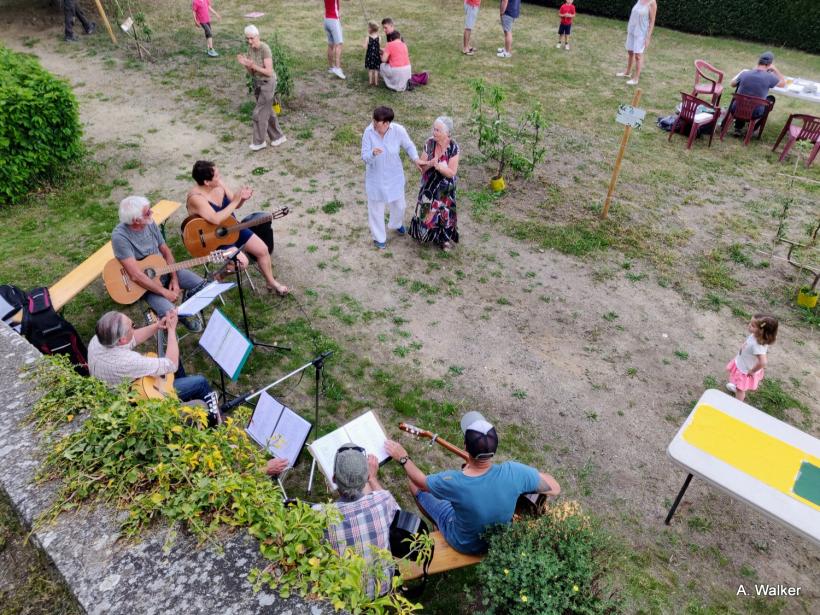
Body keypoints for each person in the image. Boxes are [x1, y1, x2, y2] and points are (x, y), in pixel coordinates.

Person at [385, 412, 560, 555]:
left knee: (416, 487)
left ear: (465, 446)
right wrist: (530, 475)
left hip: (464, 543)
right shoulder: (514, 472)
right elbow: (555, 488)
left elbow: (421, 482)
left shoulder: (454, 481)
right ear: (495, 448)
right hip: (496, 538)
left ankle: (438, 523)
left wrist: (403, 458)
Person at [186, 161, 289, 295]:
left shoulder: (218, 184)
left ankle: (271, 282)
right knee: (241, 263)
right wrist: (235, 201)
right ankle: (218, 276)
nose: (220, 177)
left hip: (232, 228)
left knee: (262, 250)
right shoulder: (196, 198)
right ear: (206, 182)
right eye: (216, 175)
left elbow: (236, 205)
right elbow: (215, 219)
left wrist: (242, 199)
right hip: (213, 240)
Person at [314, 444, 399, 597]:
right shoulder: (383, 500)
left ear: (333, 479)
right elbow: (398, 514)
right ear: (366, 478)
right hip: (383, 587)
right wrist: (373, 478)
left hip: (346, 598)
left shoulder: (319, 515)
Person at [112, 196, 206, 332]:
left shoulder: (149, 223)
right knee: (171, 314)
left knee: (203, 287)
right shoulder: (120, 237)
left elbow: (166, 251)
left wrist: (174, 279)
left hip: (165, 271)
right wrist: (164, 292)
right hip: (145, 286)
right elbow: (136, 276)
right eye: (147, 212)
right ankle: (177, 318)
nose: (152, 213)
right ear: (136, 220)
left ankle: (184, 312)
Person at [88, 310, 213, 403]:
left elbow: (134, 338)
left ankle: (184, 394)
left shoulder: (99, 339)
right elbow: (171, 364)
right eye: (133, 326)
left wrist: (157, 326)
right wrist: (171, 330)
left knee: (175, 356)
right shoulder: (128, 362)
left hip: (119, 385)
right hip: (136, 397)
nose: (134, 327)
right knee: (201, 382)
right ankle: (215, 419)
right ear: (122, 340)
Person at [361, 107, 421, 249]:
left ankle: (396, 224)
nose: (374, 124)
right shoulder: (368, 132)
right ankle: (379, 238)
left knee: (400, 206)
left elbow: (408, 145)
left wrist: (416, 159)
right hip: (376, 178)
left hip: (394, 176)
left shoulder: (398, 130)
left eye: (378, 122)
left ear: (387, 123)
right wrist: (372, 153)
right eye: (374, 121)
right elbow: (364, 157)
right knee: (376, 209)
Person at [410, 117, 460, 251]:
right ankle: (423, 233)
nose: (434, 132)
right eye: (434, 129)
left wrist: (440, 168)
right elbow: (421, 168)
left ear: (447, 133)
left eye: (438, 130)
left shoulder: (453, 147)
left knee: (445, 211)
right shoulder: (429, 143)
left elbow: (452, 173)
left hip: (445, 188)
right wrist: (430, 163)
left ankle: (444, 239)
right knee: (425, 211)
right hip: (429, 186)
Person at [237, 25, 287, 152]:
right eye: (247, 38)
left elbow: (269, 72)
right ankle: (278, 137)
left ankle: (259, 142)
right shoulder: (250, 49)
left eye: (252, 38)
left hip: (268, 83)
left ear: (257, 36)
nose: (249, 41)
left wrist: (253, 65)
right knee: (268, 112)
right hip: (258, 83)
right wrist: (246, 65)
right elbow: (251, 72)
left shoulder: (265, 49)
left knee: (258, 113)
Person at [727, 51, 785, 135]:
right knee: (771, 99)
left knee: (745, 97)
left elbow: (732, 84)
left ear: (758, 62)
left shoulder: (745, 73)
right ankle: (753, 128)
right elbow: (783, 84)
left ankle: (738, 127)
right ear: (770, 64)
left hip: (735, 109)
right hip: (754, 113)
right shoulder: (770, 77)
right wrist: (775, 70)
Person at [725, 314, 778, 403]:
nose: (749, 325)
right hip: (743, 363)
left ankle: (737, 404)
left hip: (745, 370)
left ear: (761, 331)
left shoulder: (758, 346)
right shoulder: (756, 336)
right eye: (750, 322)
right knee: (739, 385)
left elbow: (763, 362)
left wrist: (752, 371)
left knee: (740, 389)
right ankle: (737, 388)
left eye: (753, 325)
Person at [616, 0, 656, 85]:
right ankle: (627, 72)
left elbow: (652, 22)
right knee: (630, 51)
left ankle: (635, 79)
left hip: (641, 33)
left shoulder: (652, 3)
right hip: (632, 30)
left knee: (638, 55)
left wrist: (648, 37)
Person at [324, 0, 345, 79]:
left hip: (326, 19)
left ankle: (331, 67)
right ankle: (337, 68)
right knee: (339, 44)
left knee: (331, 45)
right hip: (334, 20)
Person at [363, 21, 381, 86]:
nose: (367, 29)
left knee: (370, 70)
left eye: (368, 28)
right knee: (376, 70)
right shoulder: (379, 38)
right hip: (376, 56)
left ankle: (370, 81)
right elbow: (379, 46)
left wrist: (364, 44)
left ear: (371, 29)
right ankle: (376, 82)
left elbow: (365, 47)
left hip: (370, 56)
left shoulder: (367, 38)